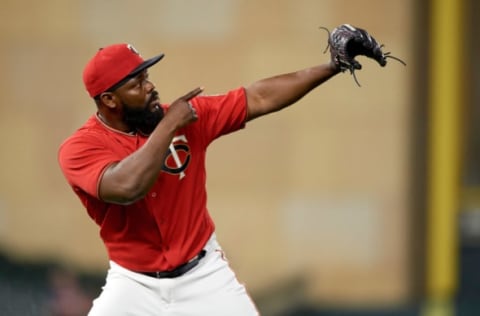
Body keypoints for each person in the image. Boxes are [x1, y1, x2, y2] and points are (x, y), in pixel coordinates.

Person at [57, 42, 341, 315]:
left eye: (146, 76)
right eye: (136, 83)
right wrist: (169, 125)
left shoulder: (185, 118)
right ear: (109, 100)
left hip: (203, 275)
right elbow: (127, 186)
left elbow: (259, 97)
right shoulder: (80, 148)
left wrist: (333, 65)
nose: (150, 86)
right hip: (134, 284)